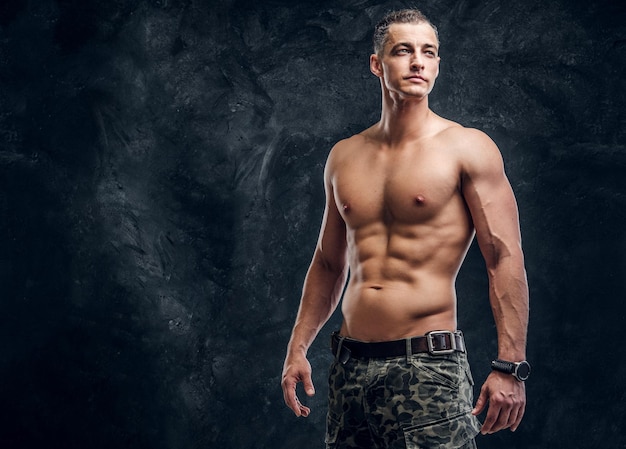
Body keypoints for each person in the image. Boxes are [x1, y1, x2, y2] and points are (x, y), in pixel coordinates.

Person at [281, 8, 529, 449]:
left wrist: (510, 365)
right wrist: (298, 347)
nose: (418, 61)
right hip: (350, 368)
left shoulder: (467, 148)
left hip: (429, 369)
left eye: (428, 52)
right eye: (403, 51)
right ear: (377, 64)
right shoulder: (344, 156)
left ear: (437, 64)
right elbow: (327, 262)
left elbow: (503, 257)